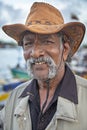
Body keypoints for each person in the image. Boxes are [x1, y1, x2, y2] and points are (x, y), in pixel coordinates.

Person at [0, 2, 87, 130]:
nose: (35, 53)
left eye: (47, 41)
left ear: (65, 49)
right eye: (28, 43)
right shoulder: (15, 97)